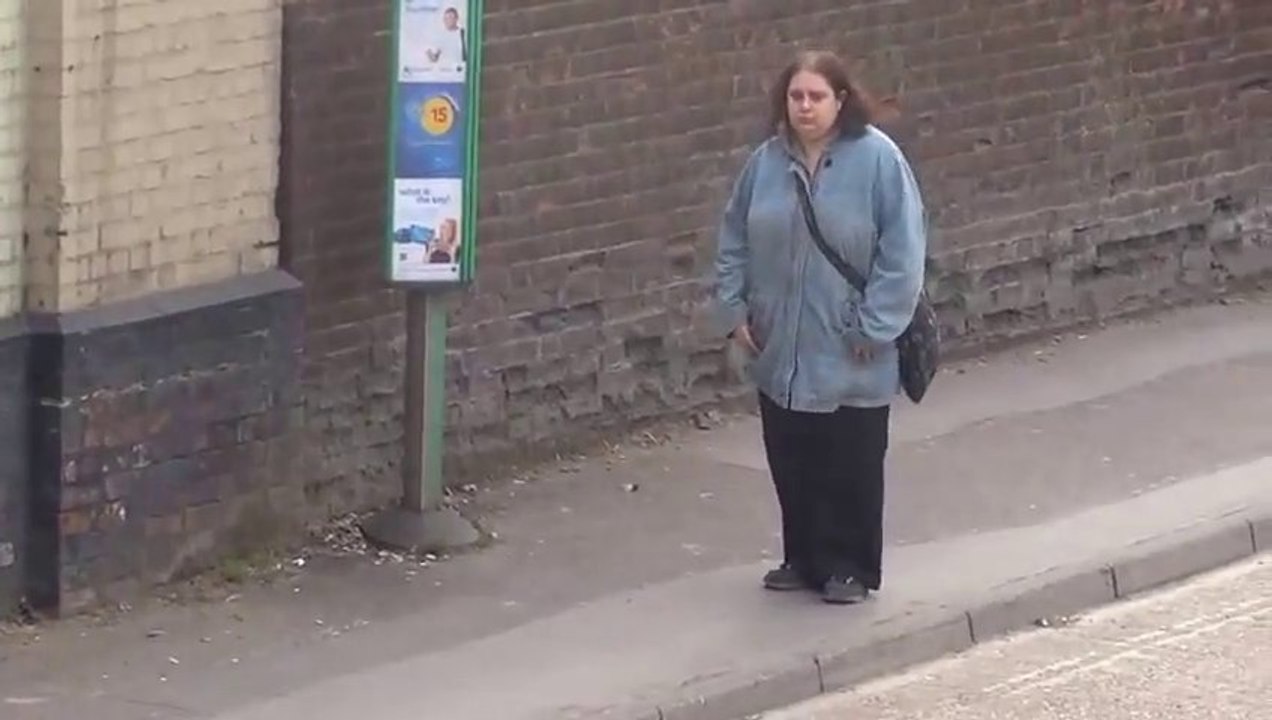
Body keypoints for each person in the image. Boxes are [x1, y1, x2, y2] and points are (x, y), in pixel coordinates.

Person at [712, 50, 927, 605]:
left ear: (841, 101)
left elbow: (903, 253)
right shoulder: (765, 164)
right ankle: (802, 557)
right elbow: (733, 238)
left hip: (852, 343)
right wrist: (735, 312)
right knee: (792, 455)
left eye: (816, 97)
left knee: (851, 460)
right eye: (796, 97)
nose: (804, 107)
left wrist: (875, 327)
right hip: (780, 341)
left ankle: (851, 567)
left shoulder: (879, 161)